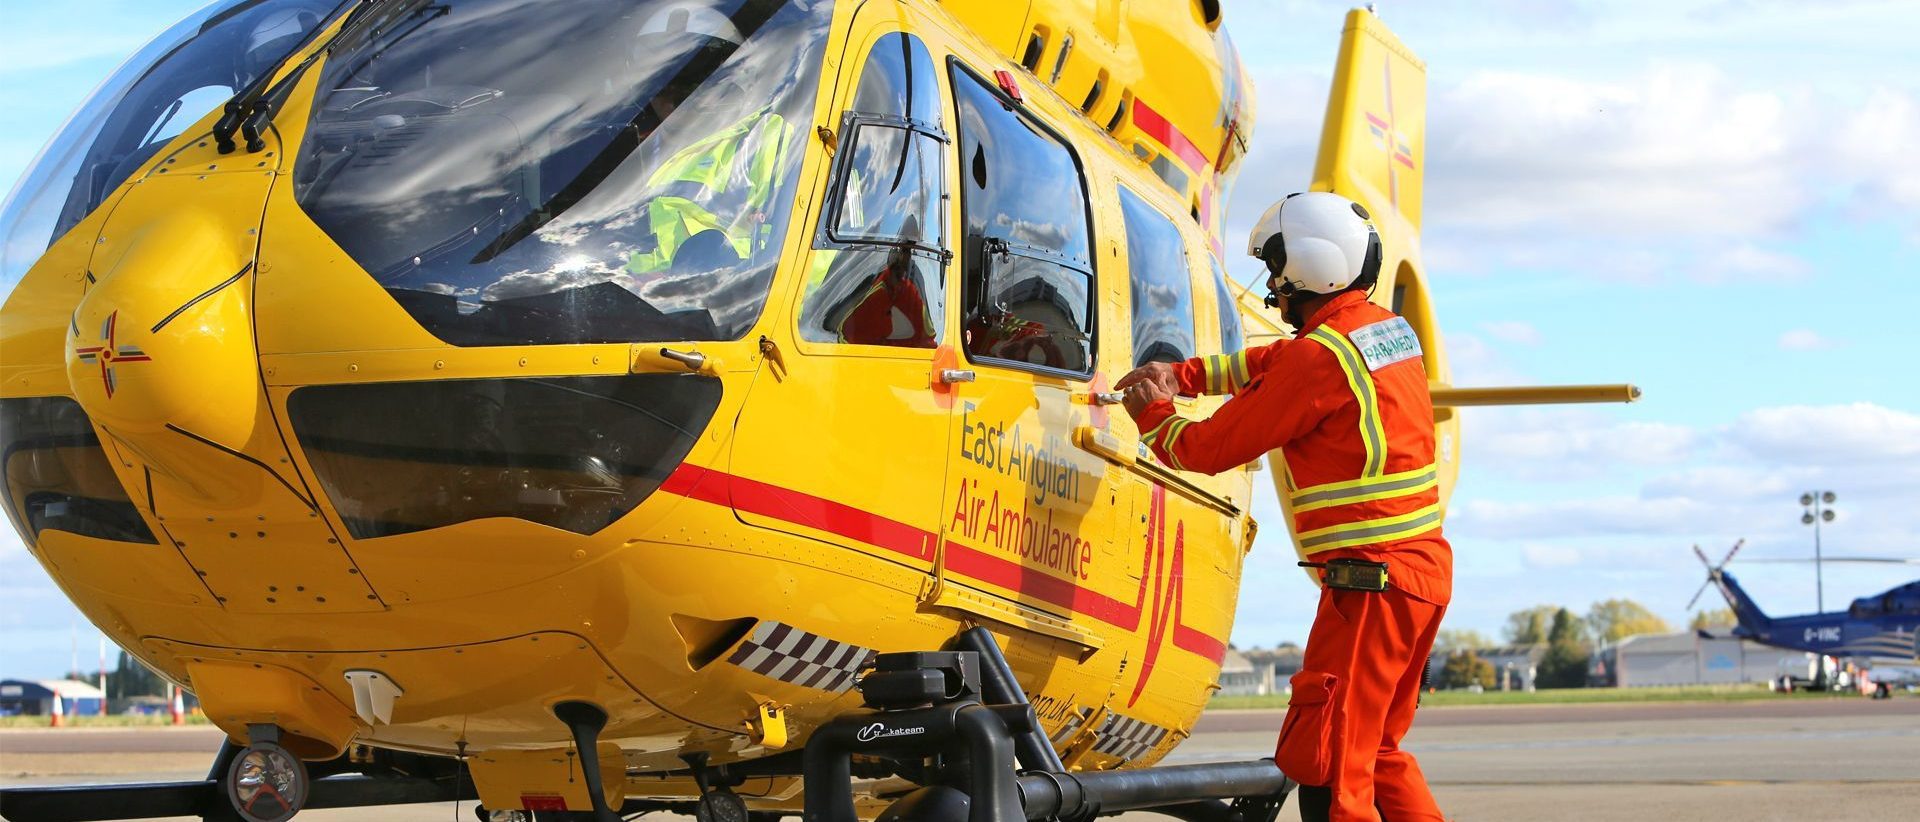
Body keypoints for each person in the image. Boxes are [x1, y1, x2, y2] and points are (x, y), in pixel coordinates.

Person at [1115, 192, 1451, 822]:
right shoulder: (1380, 333)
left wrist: (1151, 413)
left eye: (1277, 270)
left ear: (1313, 267)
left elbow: (1207, 447)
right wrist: (1185, 375)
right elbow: (1272, 361)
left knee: (1330, 773)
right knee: (1378, 754)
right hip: (1420, 576)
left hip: (1370, 585)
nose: (1272, 287)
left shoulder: (1319, 360)